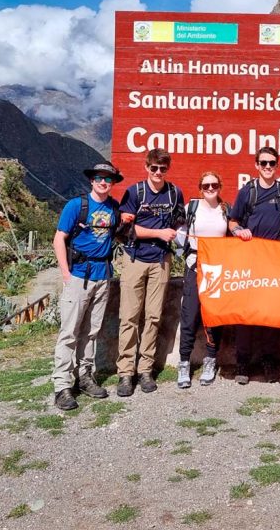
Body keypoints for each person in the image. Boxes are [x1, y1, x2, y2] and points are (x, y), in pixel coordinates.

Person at [228, 146, 280, 383]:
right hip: (249, 260)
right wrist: (239, 231)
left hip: (276, 260)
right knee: (245, 313)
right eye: (263, 163)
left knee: (271, 313)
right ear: (256, 165)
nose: (268, 167)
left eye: (272, 163)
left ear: (277, 165)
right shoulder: (246, 192)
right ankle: (242, 362)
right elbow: (232, 221)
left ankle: (268, 361)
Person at [51, 162, 123, 411]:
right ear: (92, 181)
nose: (104, 182)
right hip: (79, 276)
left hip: (103, 276)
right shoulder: (76, 206)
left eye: (109, 179)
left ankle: (84, 377)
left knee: (92, 331)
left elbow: (119, 233)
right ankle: (62, 386)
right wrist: (66, 273)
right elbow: (59, 238)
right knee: (69, 331)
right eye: (100, 178)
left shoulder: (114, 208)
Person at [116, 148, 184, 397]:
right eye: (154, 168)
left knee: (154, 317)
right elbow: (126, 229)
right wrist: (158, 232)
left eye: (163, 168)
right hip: (135, 258)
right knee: (129, 317)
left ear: (168, 169)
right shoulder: (135, 192)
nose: (158, 172)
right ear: (146, 167)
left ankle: (145, 369)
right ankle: (125, 372)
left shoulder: (175, 193)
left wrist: (179, 233)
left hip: (161, 260)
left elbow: (178, 221)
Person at [175, 170, 230, 389]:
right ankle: (184, 363)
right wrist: (188, 255)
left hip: (217, 268)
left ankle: (210, 359)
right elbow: (181, 235)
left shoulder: (226, 210)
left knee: (214, 317)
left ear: (220, 186)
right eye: (206, 186)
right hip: (195, 266)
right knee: (190, 315)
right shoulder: (192, 208)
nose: (210, 189)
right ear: (200, 188)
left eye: (214, 185)